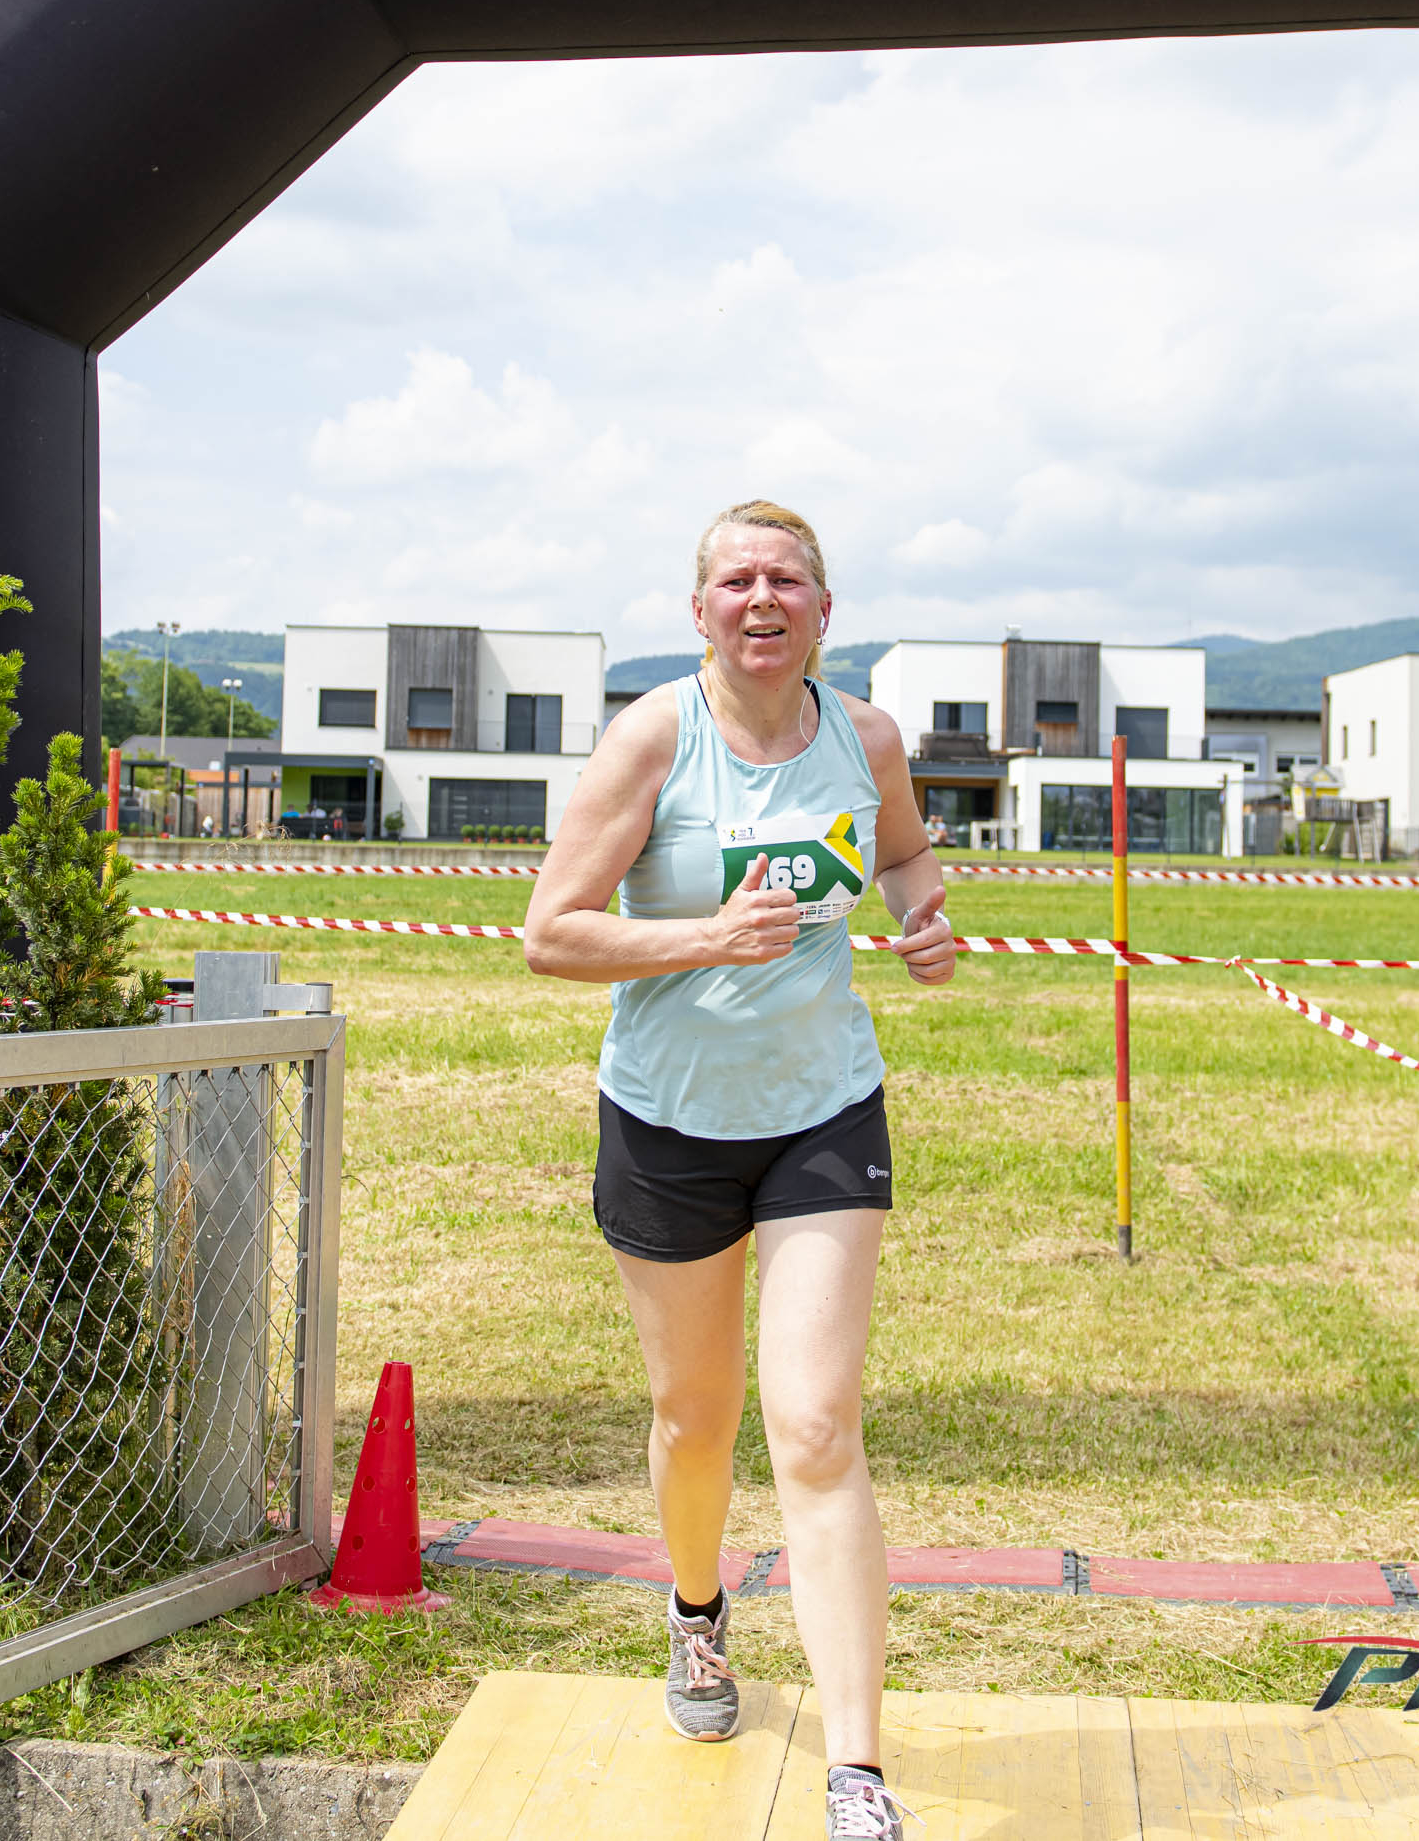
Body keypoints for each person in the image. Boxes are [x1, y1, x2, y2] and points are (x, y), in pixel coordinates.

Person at [525, 499, 957, 1841]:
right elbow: (551, 932)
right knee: (695, 1417)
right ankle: (699, 1612)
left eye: (787, 579)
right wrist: (706, 937)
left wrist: (924, 919)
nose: (761, 599)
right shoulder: (653, 738)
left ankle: (857, 1772)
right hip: (669, 1118)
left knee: (816, 1426)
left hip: (822, 1108)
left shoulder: (866, 736)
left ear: (825, 608)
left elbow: (904, 854)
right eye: (736, 580)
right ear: (701, 609)